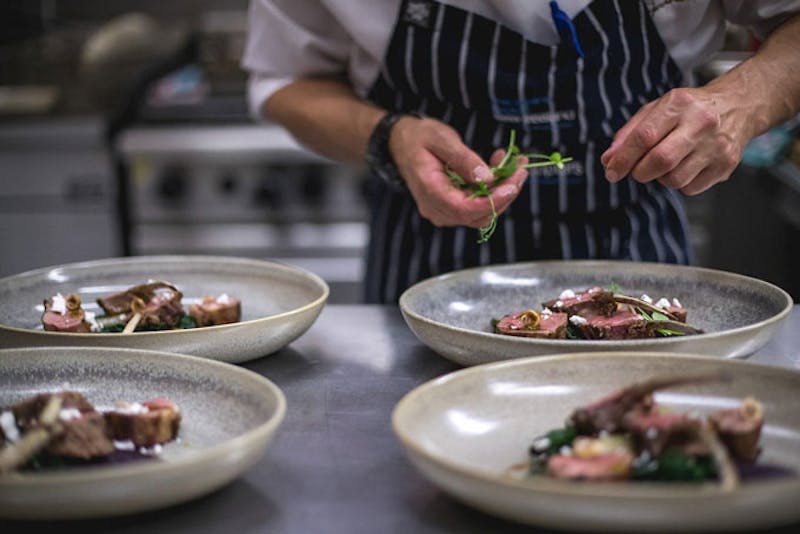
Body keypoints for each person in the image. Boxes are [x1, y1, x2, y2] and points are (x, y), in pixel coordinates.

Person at [242, 0, 800, 303]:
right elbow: (287, 78)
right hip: (427, 271)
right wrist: (389, 136)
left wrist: (742, 100)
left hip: (638, 258)